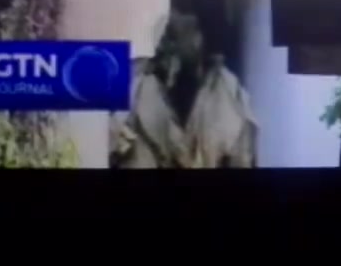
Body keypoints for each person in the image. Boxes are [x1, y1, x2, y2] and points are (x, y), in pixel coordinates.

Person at [109, 11, 258, 168]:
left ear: (198, 40)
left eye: (172, 36)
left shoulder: (230, 98)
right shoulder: (135, 86)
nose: (162, 46)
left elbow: (243, 158)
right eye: (162, 37)